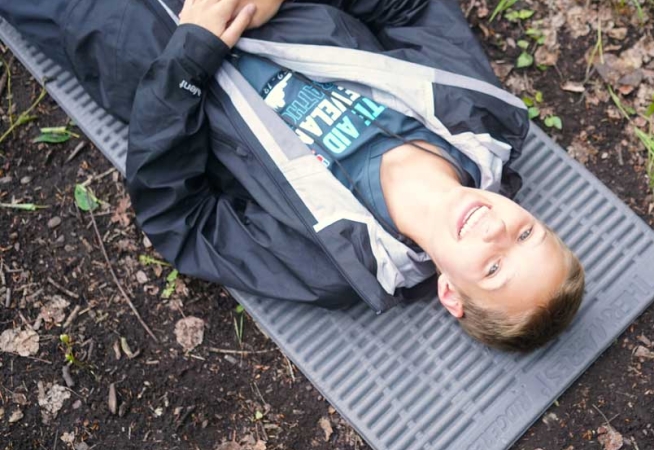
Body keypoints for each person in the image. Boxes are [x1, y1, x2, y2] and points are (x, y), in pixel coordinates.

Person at [1, 0, 584, 351]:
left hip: (118, 33)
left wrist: (188, 59)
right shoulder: (476, 115)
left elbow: (181, 220)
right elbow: (409, 8)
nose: (495, 234)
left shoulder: (333, 266)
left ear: (451, 294)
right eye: (526, 236)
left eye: (494, 269)